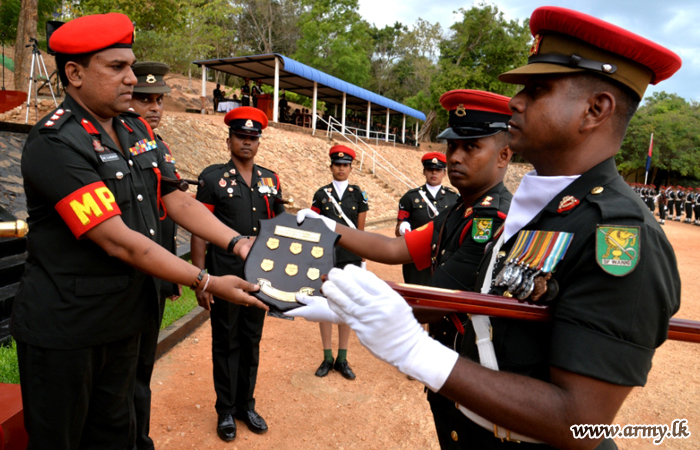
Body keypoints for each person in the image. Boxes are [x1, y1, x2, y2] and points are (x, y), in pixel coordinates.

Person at [290, 6, 682, 449]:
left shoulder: (619, 235)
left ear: (595, 109)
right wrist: (347, 307)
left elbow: (580, 419)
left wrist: (416, 352)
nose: (515, 101)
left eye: (537, 89)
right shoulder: (542, 212)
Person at [12, 13, 266, 449]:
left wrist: (238, 243)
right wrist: (205, 279)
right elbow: (116, 238)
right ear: (74, 73)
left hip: (129, 317)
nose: (132, 78)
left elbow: (175, 198)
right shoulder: (55, 142)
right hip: (70, 330)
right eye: (116, 67)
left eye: (130, 65)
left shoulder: (134, 129)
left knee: (120, 434)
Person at [191, 106, 284, 442]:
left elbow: (281, 228)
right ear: (228, 139)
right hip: (224, 273)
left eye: (252, 137)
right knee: (226, 341)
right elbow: (198, 230)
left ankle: (246, 405)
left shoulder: (270, 180)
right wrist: (200, 275)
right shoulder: (213, 178)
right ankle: (226, 410)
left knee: (251, 340)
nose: (246, 142)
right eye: (241, 136)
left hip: (260, 276)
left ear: (259, 141)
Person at [129, 60, 180, 450]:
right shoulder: (115, 143)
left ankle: (140, 440)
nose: (155, 107)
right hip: (126, 275)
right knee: (123, 376)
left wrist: (170, 278)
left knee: (142, 372)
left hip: (154, 275)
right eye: (145, 99)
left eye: (159, 99)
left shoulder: (156, 146)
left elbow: (169, 212)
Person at [309, 145, 368, 380]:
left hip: (350, 257)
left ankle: (342, 358)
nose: (341, 169)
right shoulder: (321, 194)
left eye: (345, 165)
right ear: (331, 166)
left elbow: (361, 230)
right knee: (325, 305)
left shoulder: (357, 193)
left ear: (351, 168)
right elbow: (314, 226)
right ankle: (327, 356)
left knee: (346, 305)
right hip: (326, 256)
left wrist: (362, 256)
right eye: (337, 164)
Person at [396, 151, 459, 286]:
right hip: (417, 257)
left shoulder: (454, 198)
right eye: (430, 169)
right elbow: (398, 229)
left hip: (443, 258)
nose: (434, 173)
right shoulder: (410, 197)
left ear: (444, 172)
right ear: (424, 171)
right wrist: (402, 227)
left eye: (438, 170)